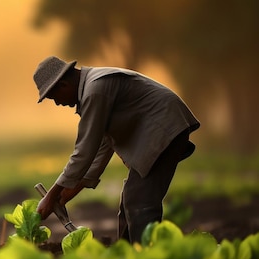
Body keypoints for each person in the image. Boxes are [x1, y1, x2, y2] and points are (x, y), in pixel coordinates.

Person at [33, 56, 200, 243]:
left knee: (139, 200)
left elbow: (84, 150)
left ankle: (144, 258)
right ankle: (126, 254)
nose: (58, 104)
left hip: (164, 127)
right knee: (132, 199)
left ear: (63, 84)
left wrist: (52, 195)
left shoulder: (94, 91)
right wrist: (72, 189)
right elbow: (103, 147)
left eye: (54, 98)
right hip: (161, 129)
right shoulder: (93, 88)